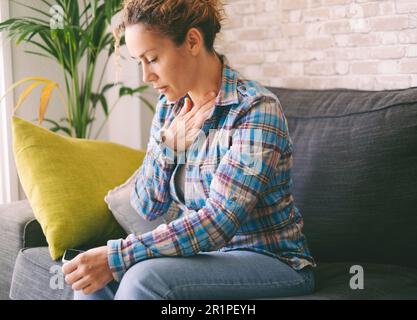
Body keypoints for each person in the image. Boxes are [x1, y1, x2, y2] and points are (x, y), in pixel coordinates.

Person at [62, 0, 316, 300]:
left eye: (153, 58)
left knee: (143, 278)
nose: (146, 76)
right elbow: (146, 206)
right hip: (204, 258)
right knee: (90, 281)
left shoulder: (255, 110)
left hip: (272, 262)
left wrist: (118, 256)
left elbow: (218, 222)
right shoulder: (170, 109)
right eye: (139, 62)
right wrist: (167, 148)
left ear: (193, 41)